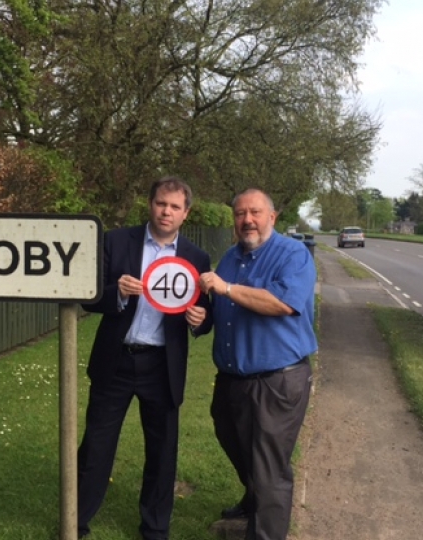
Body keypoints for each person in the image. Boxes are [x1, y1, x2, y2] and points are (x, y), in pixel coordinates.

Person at [77, 176, 211, 540]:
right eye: (160, 204)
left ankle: (154, 528)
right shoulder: (117, 241)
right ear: (149, 204)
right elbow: (89, 296)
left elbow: (204, 312)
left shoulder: (196, 258)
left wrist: (200, 320)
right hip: (116, 361)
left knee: (162, 452)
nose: (166, 212)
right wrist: (116, 293)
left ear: (186, 213)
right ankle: (75, 522)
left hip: (162, 366)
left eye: (174, 207)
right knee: (96, 447)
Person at [197, 188, 317, 540]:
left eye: (255, 212)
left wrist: (227, 289)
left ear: (272, 217)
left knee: (269, 468)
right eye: (240, 214)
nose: (247, 220)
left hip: (277, 382)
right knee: (232, 440)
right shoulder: (231, 258)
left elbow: (282, 302)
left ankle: (265, 531)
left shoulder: (292, 254)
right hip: (233, 378)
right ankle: (253, 501)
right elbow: (221, 310)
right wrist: (200, 318)